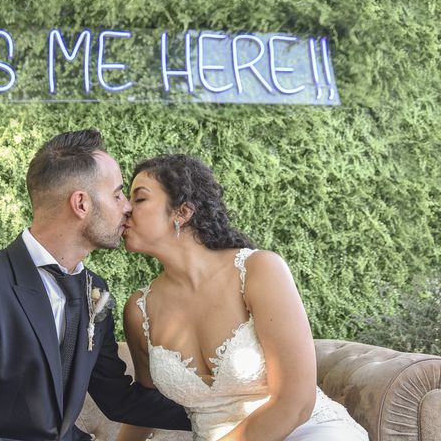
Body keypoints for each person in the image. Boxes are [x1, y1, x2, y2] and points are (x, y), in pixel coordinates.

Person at [0, 130, 191, 441]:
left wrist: (215, 412)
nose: (127, 207)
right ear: (81, 204)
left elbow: (117, 398)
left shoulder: (95, 291)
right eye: (116, 194)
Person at [116, 154, 369, 441]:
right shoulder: (139, 310)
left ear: (182, 212)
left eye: (139, 199)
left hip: (307, 431)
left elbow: (296, 401)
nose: (125, 208)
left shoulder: (258, 270)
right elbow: (144, 406)